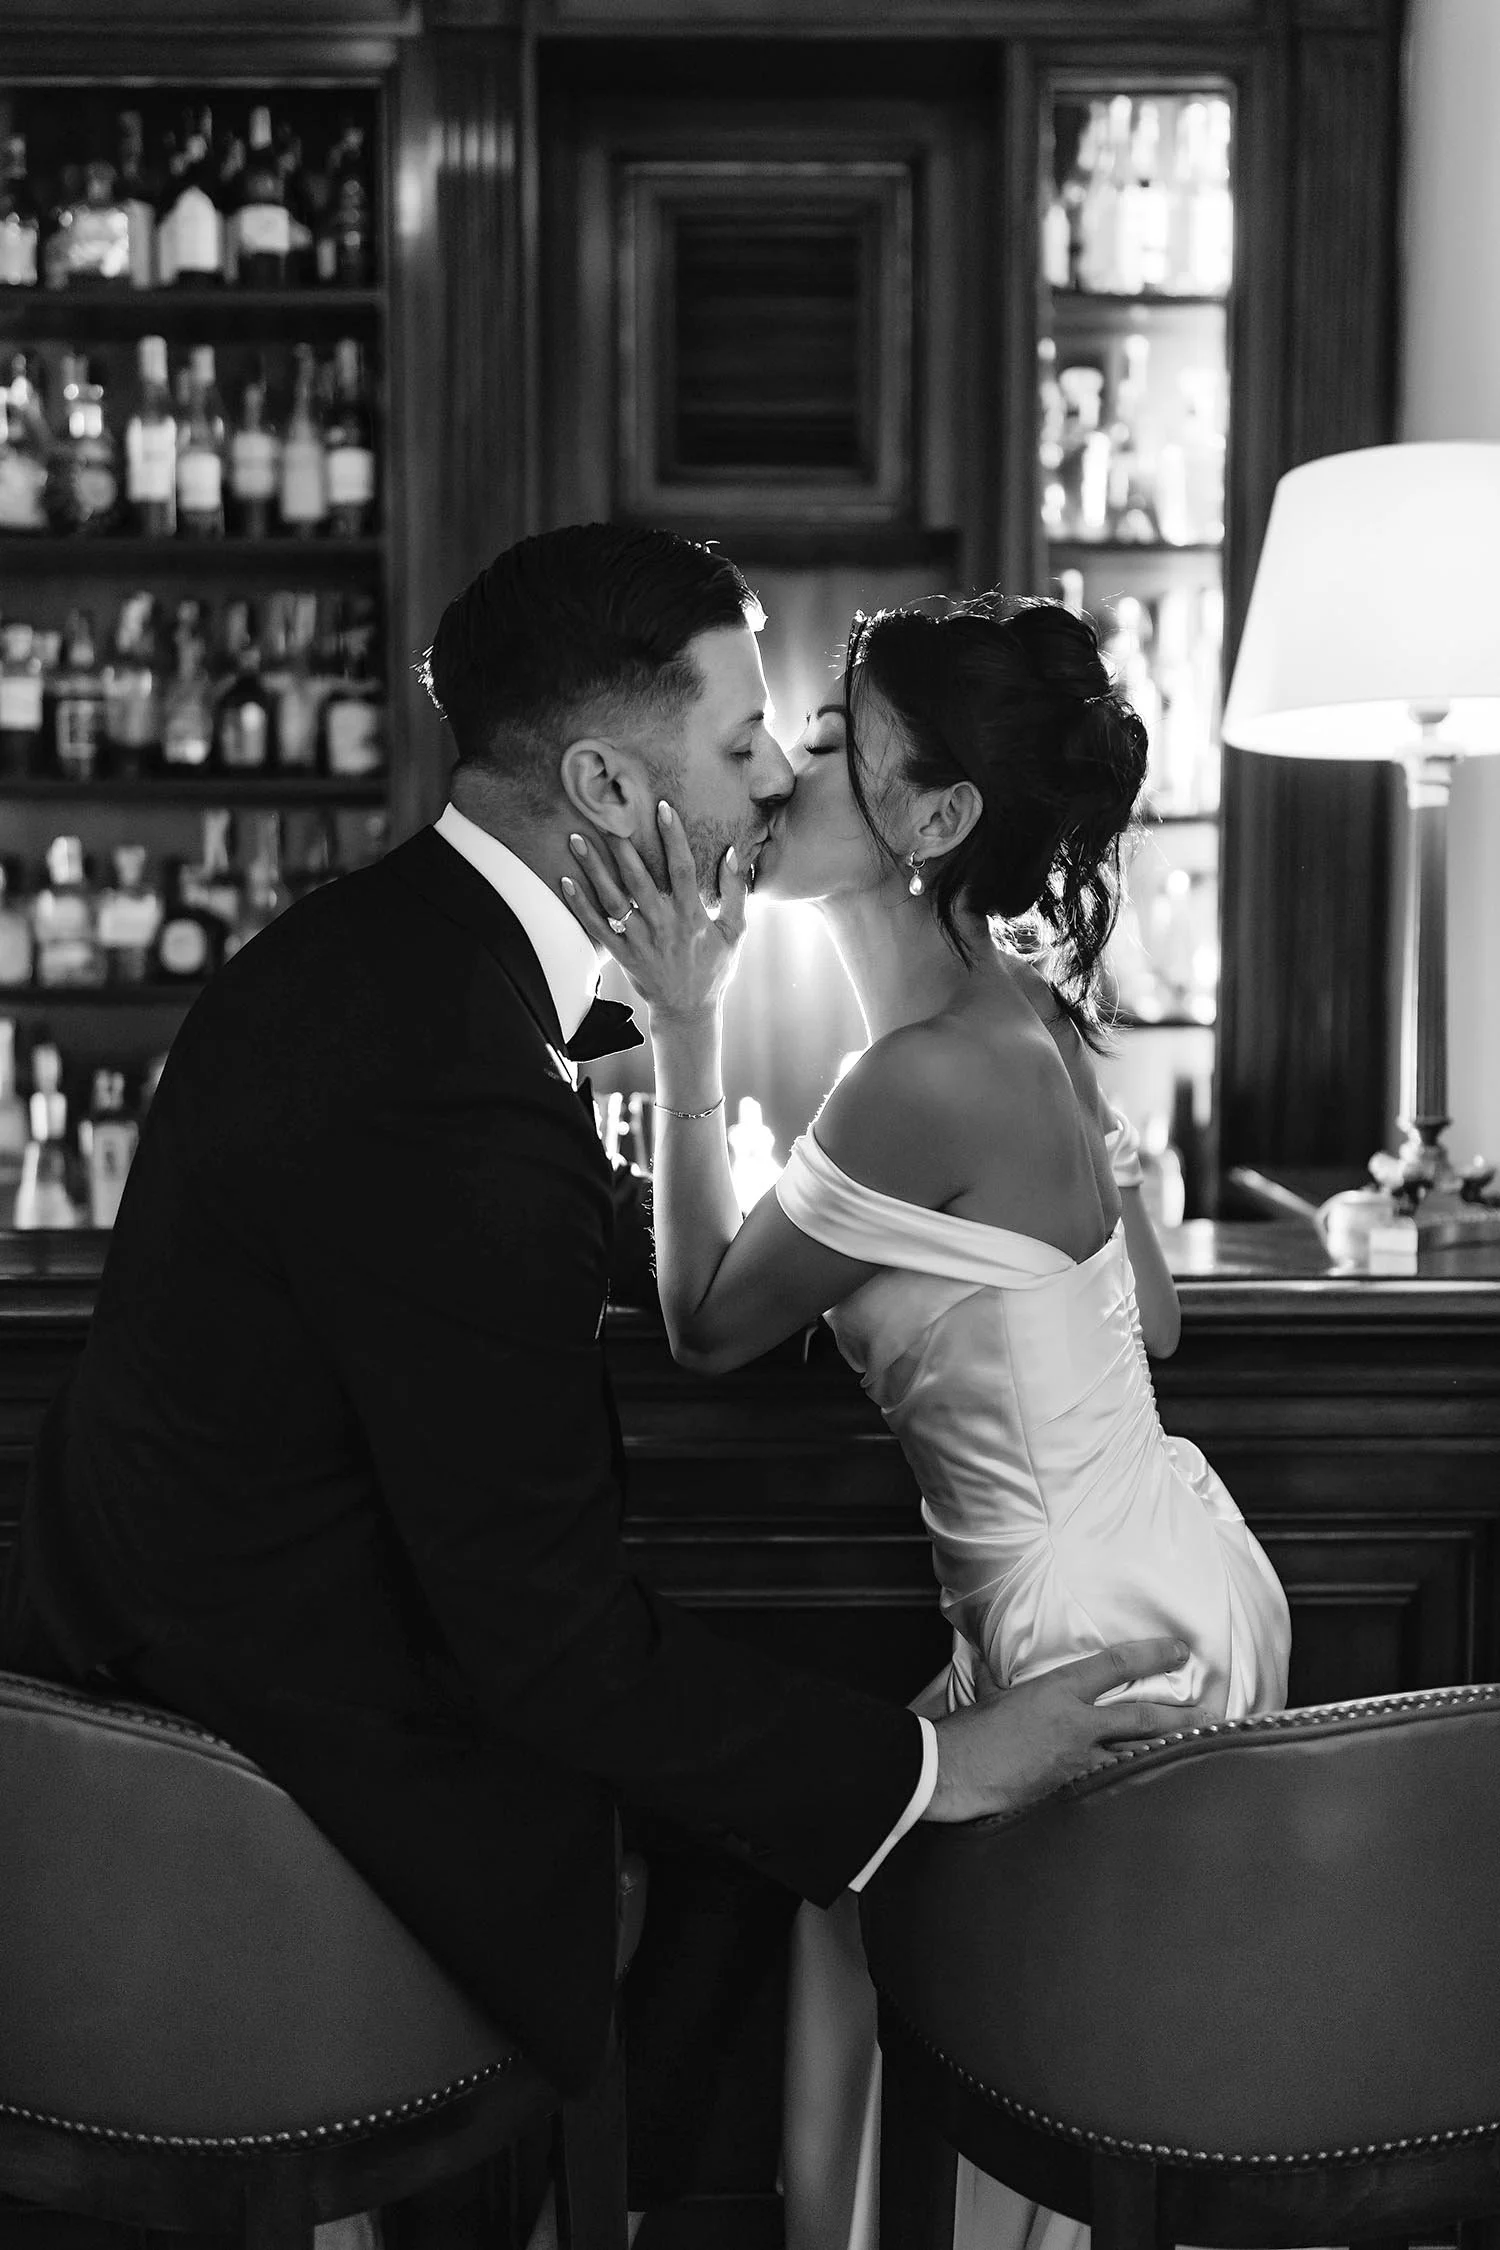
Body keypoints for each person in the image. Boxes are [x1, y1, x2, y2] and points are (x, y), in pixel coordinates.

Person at [0, 527, 1204, 2243]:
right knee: (733, 1887)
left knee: (741, 1884)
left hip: (186, 1691)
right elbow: (551, 1641)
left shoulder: (398, 958)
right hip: (244, 1792)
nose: (775, 780)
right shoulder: (455, 1075)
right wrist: (933, 1771)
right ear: (597, 779)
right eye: (740, 747)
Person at [558, 589, 1292, 2250]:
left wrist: (687, 1016)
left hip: (1082, 1628)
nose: (776, 774)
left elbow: (702, 1322)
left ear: (934, 819)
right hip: (1178, 1560)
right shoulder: (1019, 1018)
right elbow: (1147, 1315)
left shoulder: (918, 1078)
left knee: (995, 2030)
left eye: (830, 747)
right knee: (877, 1912)